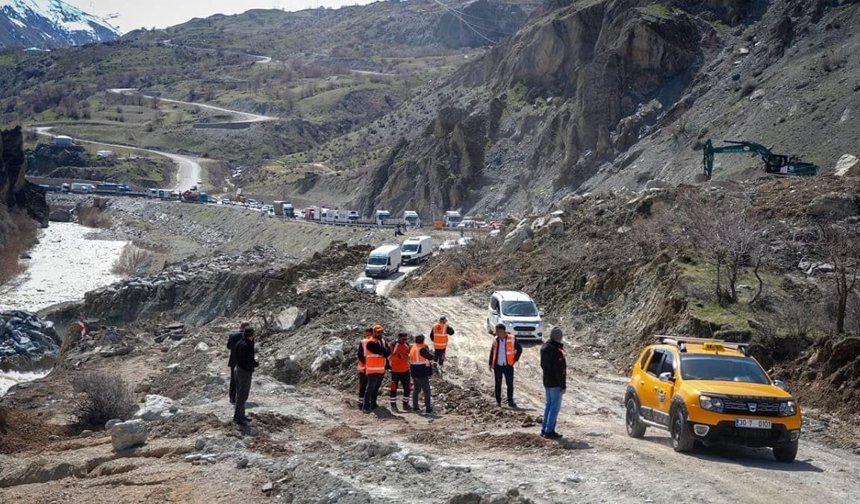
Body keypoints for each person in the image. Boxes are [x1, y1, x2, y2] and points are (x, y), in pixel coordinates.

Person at [540, 326, 567, 439]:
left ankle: (544, 428)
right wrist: (562, 384)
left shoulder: (544, 347)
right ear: (559, 338)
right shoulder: (556, 351)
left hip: (547, 381)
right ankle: (549, 430)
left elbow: (543, 365)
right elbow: (559, 370)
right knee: (554, 407)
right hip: (555, 383)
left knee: (549, 405)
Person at [488, 323, 523, 408]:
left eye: (498, 331)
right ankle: (498, 402)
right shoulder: (495, 340)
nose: (496, 333)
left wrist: (515, 360)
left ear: (503, 331)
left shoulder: (512, 338)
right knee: (498, 384)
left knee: (510, 384)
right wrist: (490, 363)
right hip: (498, 365)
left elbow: (519, 349)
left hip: (508, 365)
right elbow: (492, 351)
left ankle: (510, 402)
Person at [360, 325, 390, 412]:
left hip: (381, 369)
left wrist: (384, 352)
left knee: (376, 388)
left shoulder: (382, 341)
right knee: (370, 388)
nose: (380, 334)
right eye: (378, 332)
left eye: (381, 332)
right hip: (372, 369)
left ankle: (373, 404)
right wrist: (384, 351)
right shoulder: (370, 342)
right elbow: (383, 351)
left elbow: (388, 351)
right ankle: (365, 406)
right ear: (374, 332)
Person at [233, 327, 259, 425]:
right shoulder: (247, 345)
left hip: (237, 369)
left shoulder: (239, 343)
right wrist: (255, 364)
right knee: (242, 395)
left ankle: (241, 415)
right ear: (252, 335)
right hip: (244, 372)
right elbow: (248, 360)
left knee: (239, 394)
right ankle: (238, 418)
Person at [409, 334, 435, 414]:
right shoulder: (422, 349)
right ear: (422, 340)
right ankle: (428, 409)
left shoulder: (413, 347)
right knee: (427, 390)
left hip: (414, 371)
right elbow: (430, 357)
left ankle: (415, 407)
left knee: (416, 390)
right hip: (421, 372)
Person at [227, 322, 250, 404]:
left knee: (233, 380)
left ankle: (232, 398)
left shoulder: (232, 335)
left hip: (233, 361)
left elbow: (228, 346)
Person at [388, 332, 412, 411]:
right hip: (395, 370)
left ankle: (405, 404)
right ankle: (393, 405)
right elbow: (389, 356)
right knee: (393, 388)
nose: (404, 340)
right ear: (398, 337)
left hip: (405, 370)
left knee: (408, 387)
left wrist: (408, 356)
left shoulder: (406, 344)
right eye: (403, 339)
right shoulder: (393, 345)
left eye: (406, 339)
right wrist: (399, 356)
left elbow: (409, 354)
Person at [356, 328, 374, 410]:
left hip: (363, 368)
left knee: (362, 386)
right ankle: (368, 403)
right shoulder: (374, 341)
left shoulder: (363, 341)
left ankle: (360, 403)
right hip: (371, 368)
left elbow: (359, 355)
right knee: (369, 387)